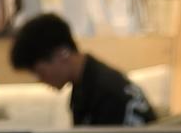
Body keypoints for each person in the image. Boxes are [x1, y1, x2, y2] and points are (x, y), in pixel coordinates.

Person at [10, 13, 157, 126]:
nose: (41, 80)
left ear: (62, 53)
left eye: (40, 72)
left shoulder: (106, 93)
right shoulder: (89, 83)